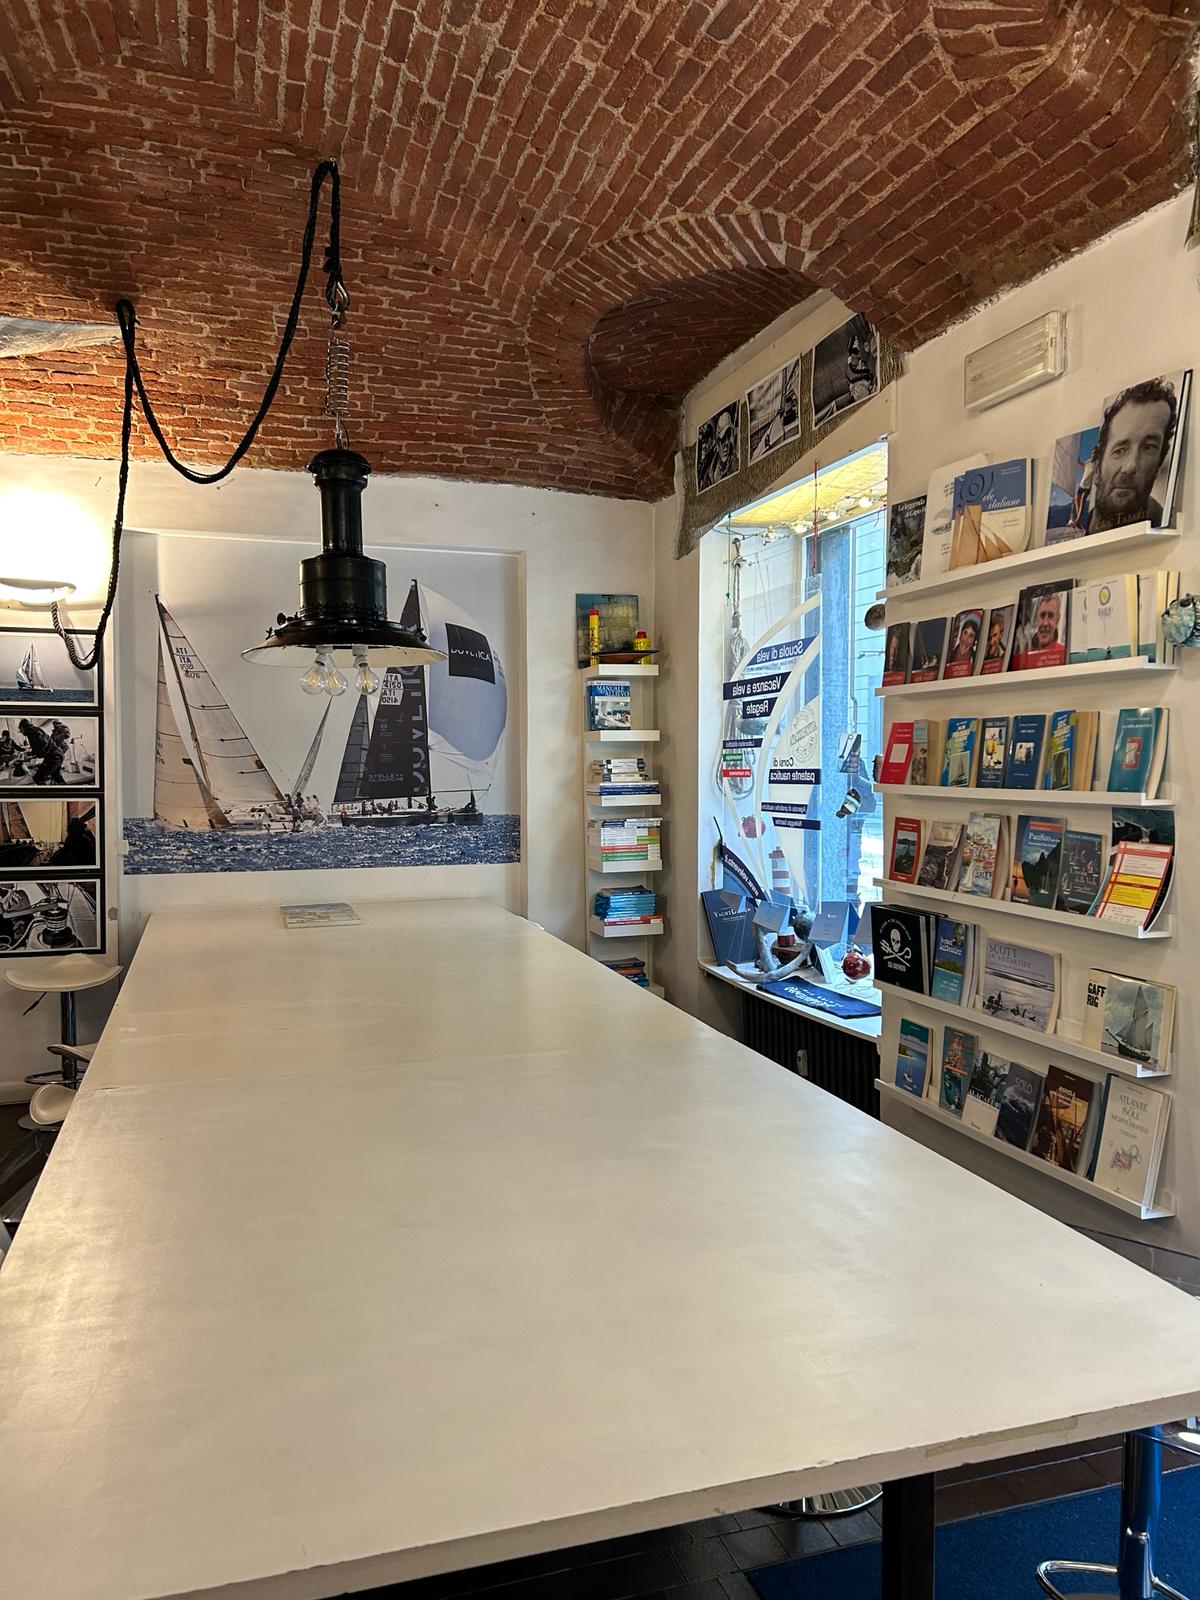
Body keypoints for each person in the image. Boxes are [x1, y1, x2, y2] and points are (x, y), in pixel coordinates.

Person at [1088, 377, 1179, 532]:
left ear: (1160, 462)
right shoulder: (1073, 530)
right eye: (1120, 450)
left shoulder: (1164, 521)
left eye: (1148, 447)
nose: (1130, 466)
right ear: (1097, 466)